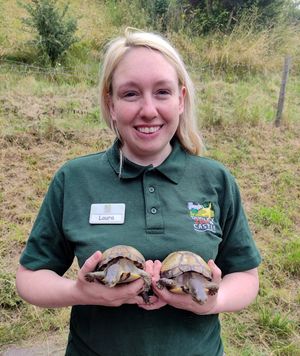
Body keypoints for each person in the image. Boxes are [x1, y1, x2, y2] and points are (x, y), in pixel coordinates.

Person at [16, 28, 261, 356]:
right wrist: (82, 292)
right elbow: (30, 278)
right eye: (130, 94)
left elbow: (245, 276)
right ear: (111, 104)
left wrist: (213, 301)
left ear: (181, 99)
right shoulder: (74, 179)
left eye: (162, 92)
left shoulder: (215, 180)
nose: (148, 110)